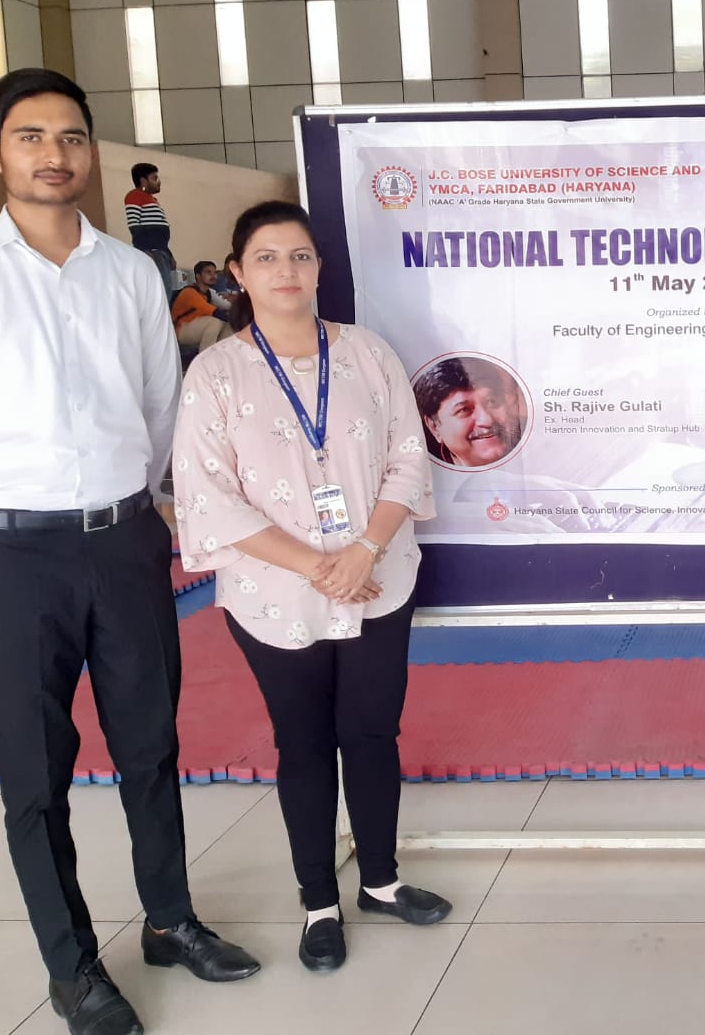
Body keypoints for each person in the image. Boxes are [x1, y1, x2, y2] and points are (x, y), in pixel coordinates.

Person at [0, 69, 259, 1035]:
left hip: (124, 541)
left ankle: (170, 920)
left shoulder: (131, 274)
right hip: (10, 556)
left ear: (90, 153)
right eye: (32, 137)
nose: (55, 155)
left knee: (150, 744)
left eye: (72, 138)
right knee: (32, 773)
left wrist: (153, 508)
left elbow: (161, 405)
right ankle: (73, 967)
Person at [173, 200, 451, 975]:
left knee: (372, 733)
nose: (285, 271)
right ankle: (318, 904)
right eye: (266, 257)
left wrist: (363, 551)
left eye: (299, 255)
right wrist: (316, 566)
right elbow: (208, 495)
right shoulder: (216, 373)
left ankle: (382, 882)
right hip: (274, 595)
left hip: (377, 578)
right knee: (301, 744)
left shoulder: (366, 353)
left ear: (319, 266)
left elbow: (408, 456)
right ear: (238, 272)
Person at [413, 356, 526, 467]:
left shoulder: (532, 442)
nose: (487, 420)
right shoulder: (418, 468)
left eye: (491, 401)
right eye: (464, 410)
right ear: (434, 427)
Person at [124, 161, 176, 283]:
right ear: (143, 181)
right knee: (161, 287)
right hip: (152, 252)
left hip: (161, 250)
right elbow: (134, 226)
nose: (158, 182)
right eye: (154, 178)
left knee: (165, 286)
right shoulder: (134, 196)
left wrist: (169, 254)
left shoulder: (153, 199)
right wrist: (144, 250)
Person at [170, 260, 231, 353]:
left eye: (215, 273)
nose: (213, 276)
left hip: (196, 326)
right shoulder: (189, 292)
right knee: (214, 322)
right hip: (180, 329)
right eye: (208, 272)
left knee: (229, 325)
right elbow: (214, 312)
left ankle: (219, 355)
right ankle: (205, 359)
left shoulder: (209, 293)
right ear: (198, 276)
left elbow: (227, 306)